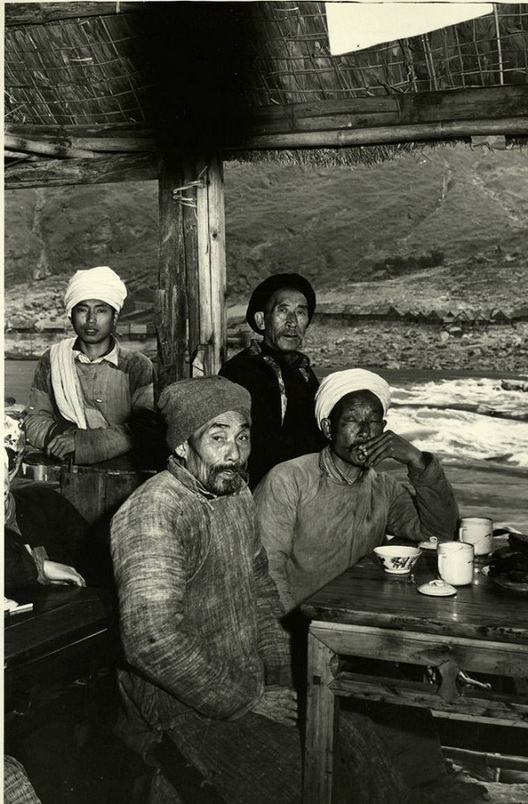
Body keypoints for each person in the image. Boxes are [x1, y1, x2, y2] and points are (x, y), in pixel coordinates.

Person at [110, 376, 445, 804]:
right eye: (218, 437)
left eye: (243, 436)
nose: (234, 452)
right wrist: (248, 699)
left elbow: (262, 592)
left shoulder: (233, 495)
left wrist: (282, 680)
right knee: (303, 778)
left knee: (356, 737)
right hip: (177, 703)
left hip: (245, 678)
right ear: (181, 446)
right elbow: (151, 642)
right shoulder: (153, 512)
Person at [255, 368, 459, 613]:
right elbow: (266, 572)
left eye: (374, 421)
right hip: (301, 621)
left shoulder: (384, 488)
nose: (365, 431)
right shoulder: (289, 479)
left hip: (360, 616)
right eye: (352, 420)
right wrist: (296, 632)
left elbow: (439, 534)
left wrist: (418, 461)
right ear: (329, 428)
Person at [24, 266, 156, 466]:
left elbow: (146, 427)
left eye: (101, 310)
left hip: (123, 472)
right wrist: (61, 438)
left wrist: (83, 443)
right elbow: (34, 420)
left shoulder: (136, 366)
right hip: (65, 467)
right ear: (71, 316)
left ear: (115, 317)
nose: (91, 319)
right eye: (82, 309)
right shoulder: (53, 359)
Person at [219, 272, 326, 487]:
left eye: (301, 313)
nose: (292, 322)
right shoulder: (240, 371)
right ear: (261, 320)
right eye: (283, 310)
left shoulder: (302, 370)